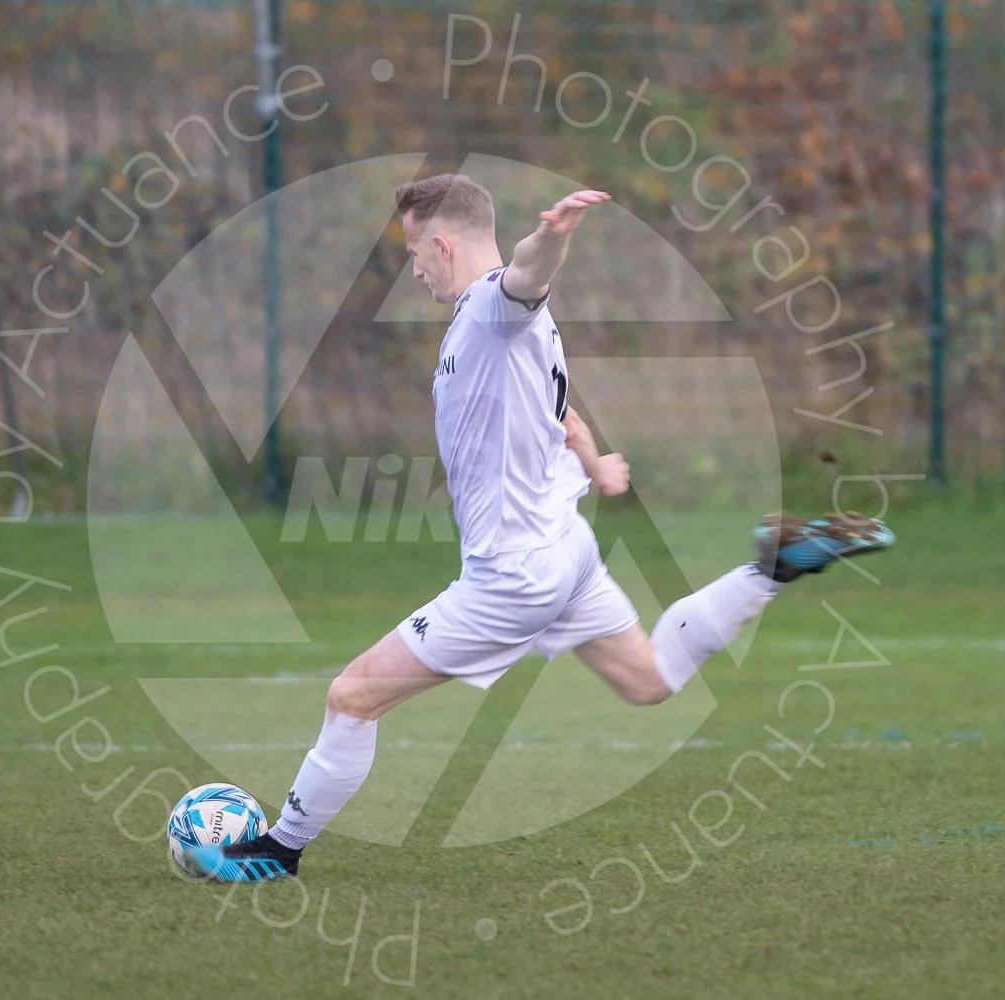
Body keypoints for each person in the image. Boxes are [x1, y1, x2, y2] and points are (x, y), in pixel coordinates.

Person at [184, 174, 894, 882]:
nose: (414, 268)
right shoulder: (497, 329)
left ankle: (277, 851)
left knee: (352, 696)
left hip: (514, 576)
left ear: (439, 241)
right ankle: (771, 570)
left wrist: (552, 237)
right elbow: (561, 414)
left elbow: (527, 275)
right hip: (567, 552)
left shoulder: (494, 308)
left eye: (412, 252)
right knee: (649, 680)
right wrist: (596, 463)